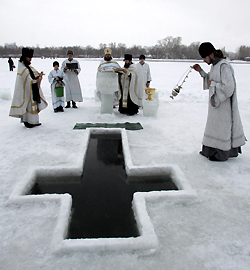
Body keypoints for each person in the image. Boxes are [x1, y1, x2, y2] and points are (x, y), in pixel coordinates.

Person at [193, 42, 246, 161]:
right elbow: (210, 79)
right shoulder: (214, 66)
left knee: (222, 129)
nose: (204, 60)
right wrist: (201, 71)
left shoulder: (224, 66)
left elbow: (229, 87)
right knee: (213, 127)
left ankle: (221, 154)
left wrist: (214, 86)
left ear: (212, 54)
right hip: (215, 105)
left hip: (224, 106)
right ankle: (210, 151)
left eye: (205, 57)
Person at [9, 47, 47, 128]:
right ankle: (29, 121)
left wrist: (38, 76)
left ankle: (32, 121)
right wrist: (36, 81)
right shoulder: (22, 68)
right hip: (26, 92)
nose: (30, 60)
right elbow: (27, 80)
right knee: (28, 106)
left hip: (31, 90)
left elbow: (33, 74)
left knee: (32, 105)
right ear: (25, 57)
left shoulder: (26, 66)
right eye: (29, 58)